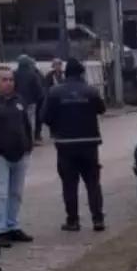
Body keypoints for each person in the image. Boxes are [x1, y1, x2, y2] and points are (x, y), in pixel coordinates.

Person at [41, 58, 106, 232]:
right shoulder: (91, 91)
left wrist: (57, 127)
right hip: (89, 143)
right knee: (93, 182)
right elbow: (102, 109)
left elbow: (45, 117)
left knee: (69, 184)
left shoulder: (55, 92)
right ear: (81, 73)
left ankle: (73, 220)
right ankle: (98, 219)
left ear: (66, 73)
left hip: (65, 144)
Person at [0, 67, 34, 246]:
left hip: (20, 153)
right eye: (4, 80)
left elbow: (26, 124)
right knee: (1, 193)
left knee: (16, 192)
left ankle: (12, 225)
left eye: (10, 79)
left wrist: (28, 144)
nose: (8, 83)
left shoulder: (19, 100)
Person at [13, 55, 45, 147]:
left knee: (19, 120)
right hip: (31, 102)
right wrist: (38, 98)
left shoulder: (14, 73)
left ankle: (19, 140)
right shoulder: (32, 74)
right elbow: (38, 88)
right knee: (31, 121)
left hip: (17, 102)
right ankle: (31, 140)